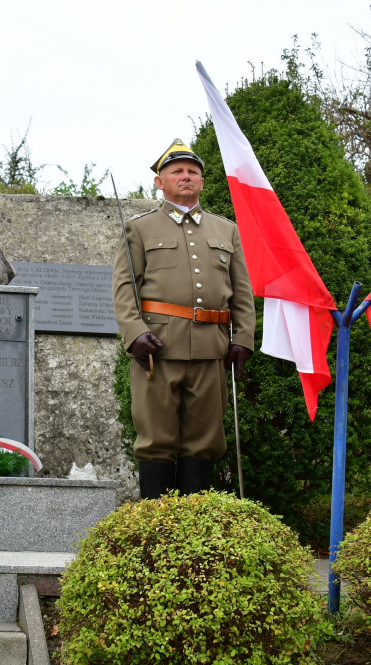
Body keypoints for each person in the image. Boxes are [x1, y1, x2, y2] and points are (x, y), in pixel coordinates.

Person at [112, 139, 256, 499]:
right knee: (156, 441)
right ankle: (154, 528)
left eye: (193, 172)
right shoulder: (140, 229)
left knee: (205, 441)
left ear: (203, 183)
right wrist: (134, 333)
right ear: (160, 182)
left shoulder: (227, 231)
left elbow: (242, 291)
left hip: (211, 351)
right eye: (176, 171)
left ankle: (194, 530)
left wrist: (243, 339)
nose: (186, 176)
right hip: (157, 351)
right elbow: (124, 287)